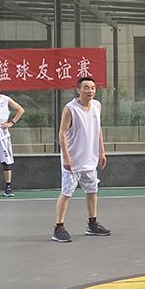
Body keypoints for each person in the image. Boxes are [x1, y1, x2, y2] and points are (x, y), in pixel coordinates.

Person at [51, 77, 110, 243]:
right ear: (78, 90)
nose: (90, 91)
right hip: (73, 160)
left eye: (93, 87)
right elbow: (62, 133)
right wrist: (66, 157)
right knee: (66, 193)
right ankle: (58, 227)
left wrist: (101, 151)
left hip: (90, 159)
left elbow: (98, 129)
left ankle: (92, 224)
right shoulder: (70, 109)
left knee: (92, 190)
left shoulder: (96, 106)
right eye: (86, 87)